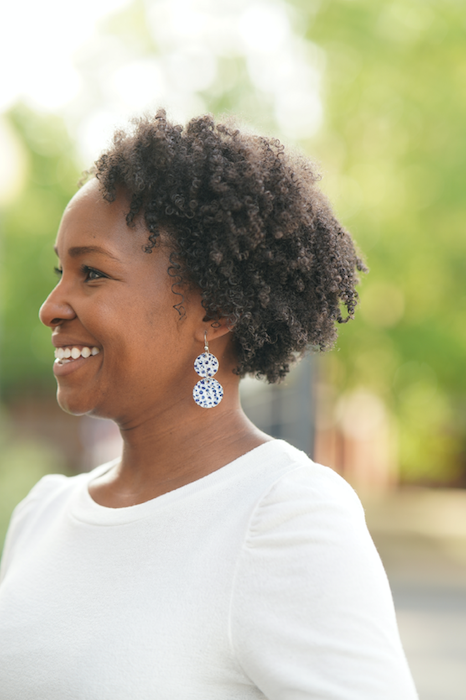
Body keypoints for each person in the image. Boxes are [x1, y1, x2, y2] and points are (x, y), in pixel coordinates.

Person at [0, 111, 418, 699]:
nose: (51, 306)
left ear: (214, 312)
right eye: (59, 270)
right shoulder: (42, 514)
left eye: (91, 273)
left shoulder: (282, 517)